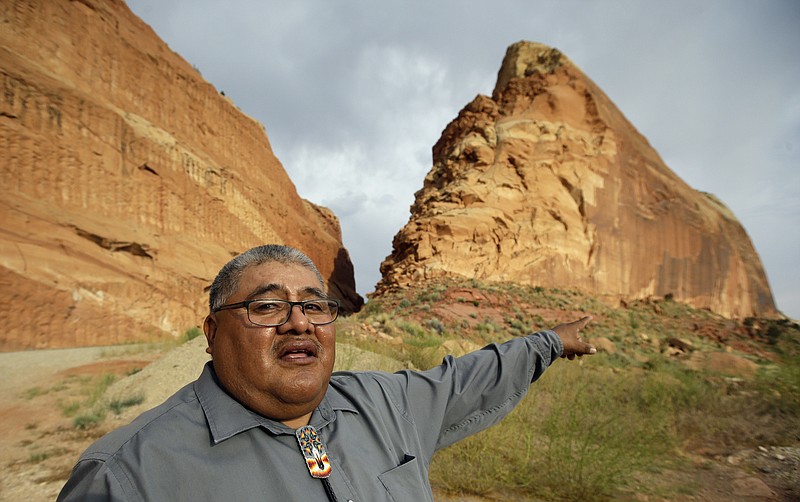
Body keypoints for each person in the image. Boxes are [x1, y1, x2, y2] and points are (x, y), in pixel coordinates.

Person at [58, 244, 596, 501]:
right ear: (212, 332)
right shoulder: (128, 477)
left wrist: (552, 342)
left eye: (315, 307)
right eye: (266, 307)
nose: (299, 323)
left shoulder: (386, 403)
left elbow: (469, 378)